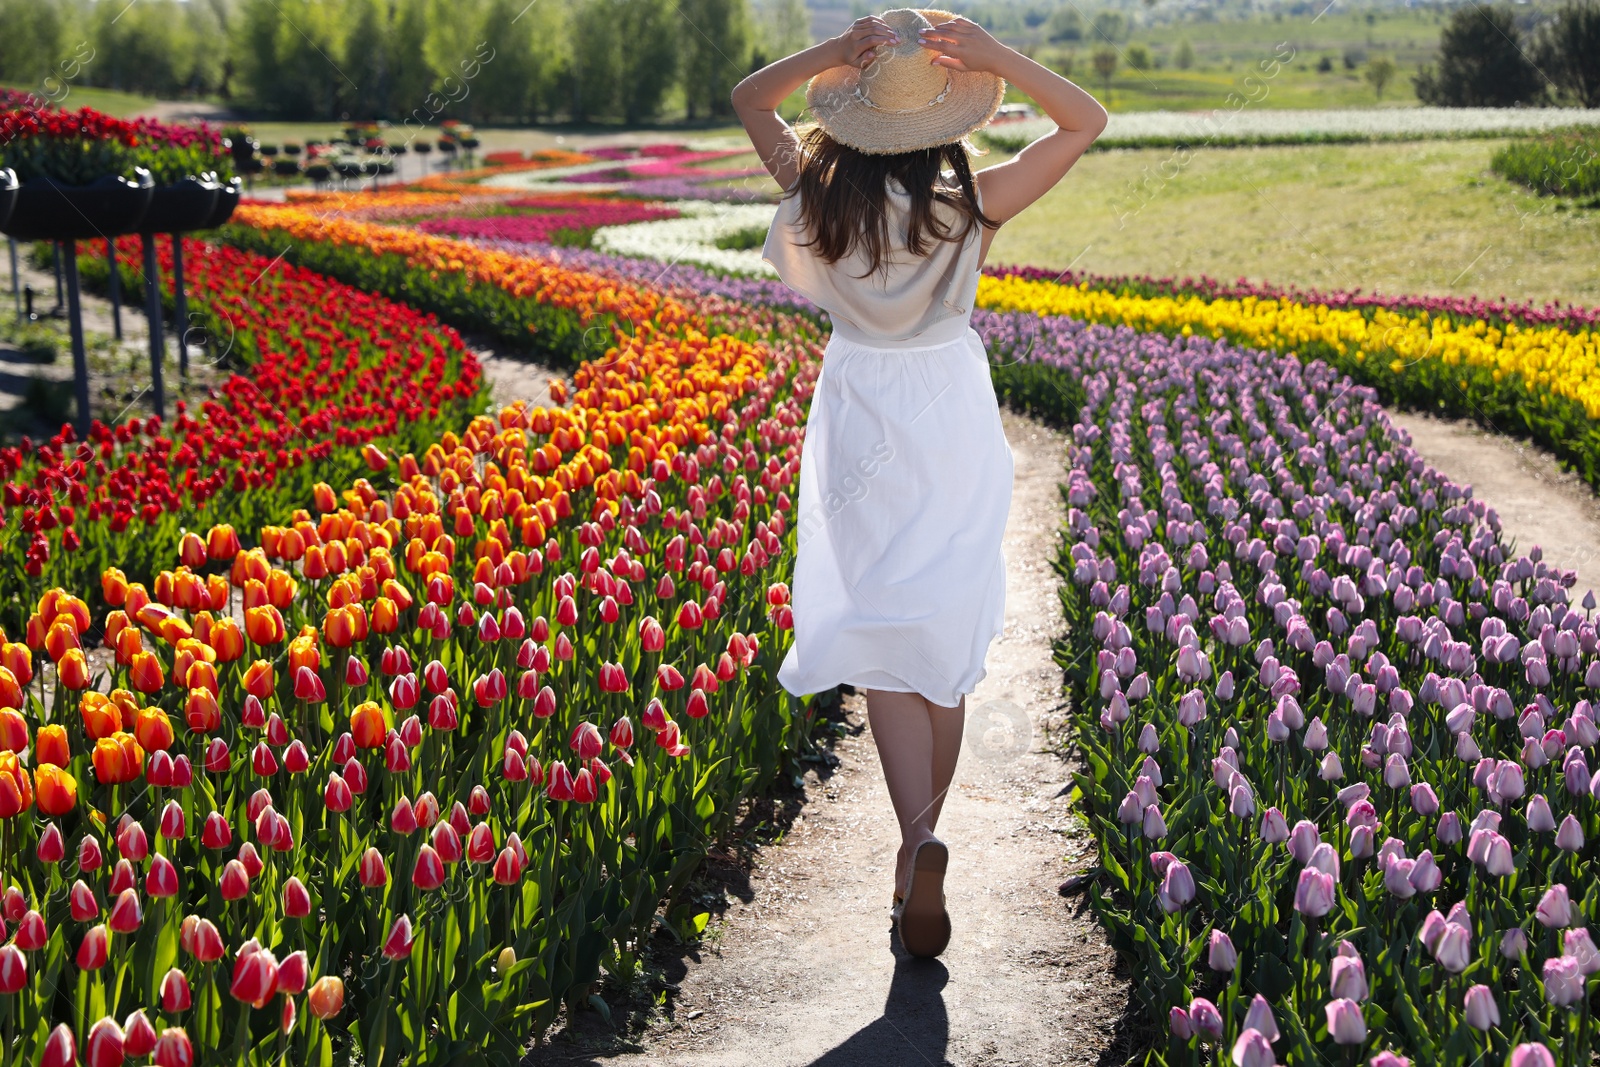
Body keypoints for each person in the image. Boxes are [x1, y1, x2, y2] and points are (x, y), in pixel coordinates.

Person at [732, 8, 1107, 958]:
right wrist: (996, 58)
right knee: (938, 625)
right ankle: (922, 849)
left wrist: (829, 57)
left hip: (860, 401)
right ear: (940, 123)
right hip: (949, 407)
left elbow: (748, 98)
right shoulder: (967, 205)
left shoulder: (818, 195)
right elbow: (1084, 122)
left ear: (852, 117)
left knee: (880, 627)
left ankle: (914, 843)